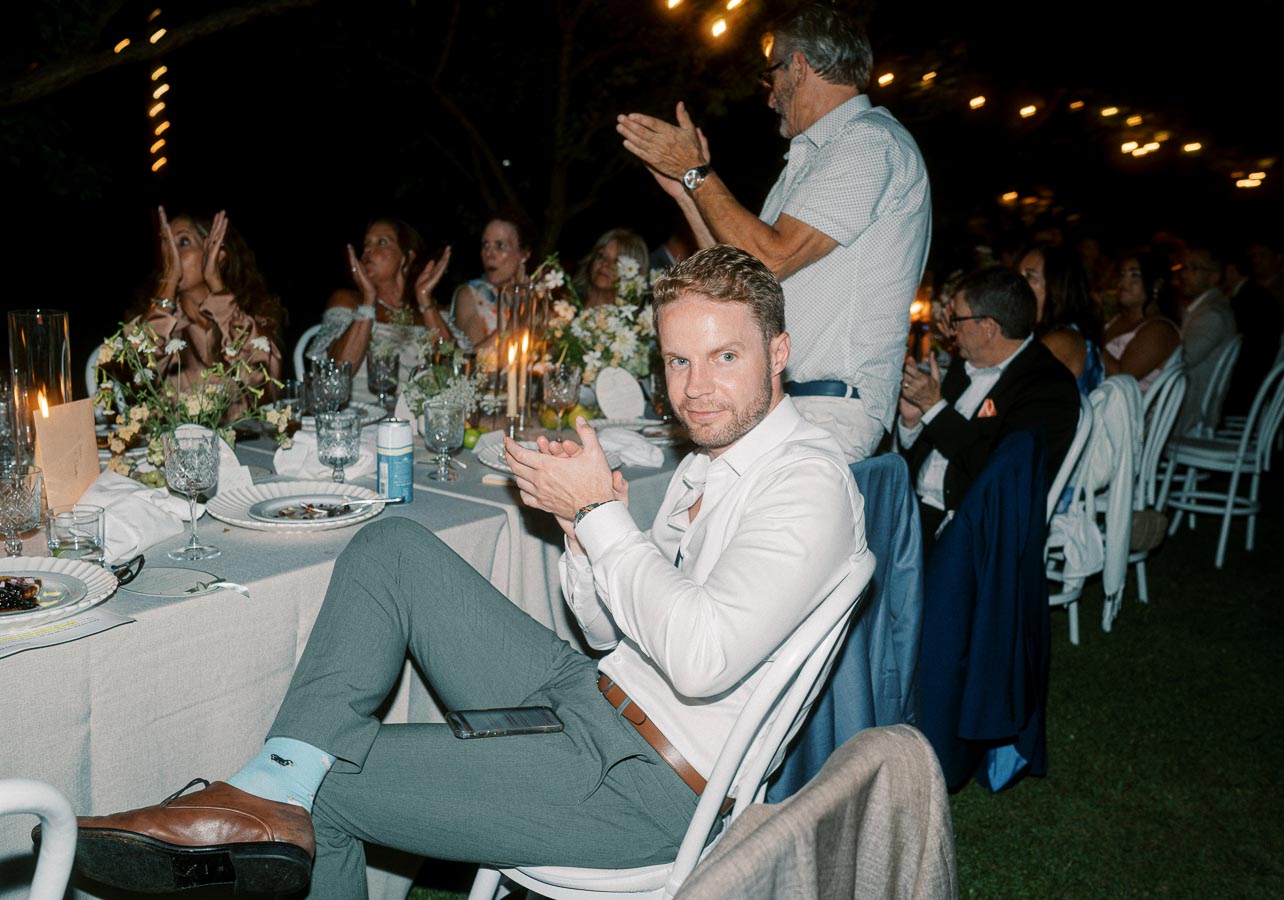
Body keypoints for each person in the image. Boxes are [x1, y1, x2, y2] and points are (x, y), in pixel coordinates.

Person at [64, 245, 869, 898]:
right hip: (593, 695)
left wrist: (601, 517)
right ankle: (270, 783)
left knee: (326, 788)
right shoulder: (710, 460)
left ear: (780, 351)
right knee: (393, 548)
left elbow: (699, 660)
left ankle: (268, 798)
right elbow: (603, 627)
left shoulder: (803, 482)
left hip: (651, 787)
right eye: (679, 361)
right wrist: (581, 538)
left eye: (724, 356)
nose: (696, 389)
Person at [617, 3, 931, 462]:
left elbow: (772, 258)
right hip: (794, 404)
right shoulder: (818, 157)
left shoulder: (869, 143)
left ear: (799, 66)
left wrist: (695, 172)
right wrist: (687, 192)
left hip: (830, 409)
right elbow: (744, 277)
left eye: (772, 76)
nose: (769, 97)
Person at [897, 266, 1080, 547]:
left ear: (989, 328)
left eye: (957, 320)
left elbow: (997, 475)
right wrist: (912, 423)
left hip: (973, 534)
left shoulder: (1047, 388)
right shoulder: (967, 363)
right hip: (918, 509)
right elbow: (934, 446)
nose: (952, 330)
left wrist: (934, 407)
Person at [132, 206, 285, 412]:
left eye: (183, 242)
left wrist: (215, 283)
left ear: (215, 253)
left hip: (243, 442)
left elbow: (267, 385)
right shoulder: (160, 324)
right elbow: (138, 371)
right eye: (166, 245)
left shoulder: (248, 315)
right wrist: (168, 280)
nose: (172, 255)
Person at [307, 218, 454, 405]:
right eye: (366, 244)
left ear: (406, 258)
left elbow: (454, 373)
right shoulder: (348, 301)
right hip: (358, 416)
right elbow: (337, 372)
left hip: (414, 420)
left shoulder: (428, 312)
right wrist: (368, 300)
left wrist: (424, 298)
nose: (368, 250)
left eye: (381, 242)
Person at [1019, 243, 1104, 395]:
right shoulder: (1057, 331)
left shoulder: (1060, 342)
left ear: (1057, 284)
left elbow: (1020, 398)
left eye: (1029, 276)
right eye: (1018, 276)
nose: (1017, 285)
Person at [451, 209, 537, 351]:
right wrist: (518, 307)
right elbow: (479, 362)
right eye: (485, 245)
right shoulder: (471, 295)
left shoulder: (539, 297)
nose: (489, 254)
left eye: (500, 246)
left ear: (524, 254)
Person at [1174, 245, 1237, 434]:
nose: (1184, 274)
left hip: (1190, 413)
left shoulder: (1212, 315)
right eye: (1183, 267)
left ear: (1214, 277)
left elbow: (1178, 362)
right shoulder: (1204, 308)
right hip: (1184, 402)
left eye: (1194, 268)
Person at [1101, 250, 1181, 394]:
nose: (1123, 283)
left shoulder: (1159, 330)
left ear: (1157, 284)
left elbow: (1122, 378)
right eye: (1122, 274)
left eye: (1134, 275)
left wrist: (1088, 341)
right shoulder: (1118, 317)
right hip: (1103, 399)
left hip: (1128, 412)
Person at [1221, 246, 1281, 415]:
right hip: (1262, 372)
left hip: (1247, 383)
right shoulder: (1255, 293)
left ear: (1230, 270)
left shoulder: (1246, 300)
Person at [571, 227, 650, 307]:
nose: (605, 264)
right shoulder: (568, 296)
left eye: (617, 262)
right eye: (601, 256)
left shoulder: (630, 318)